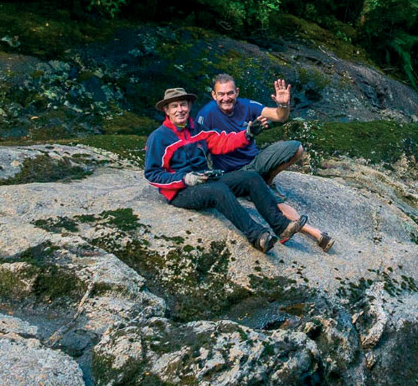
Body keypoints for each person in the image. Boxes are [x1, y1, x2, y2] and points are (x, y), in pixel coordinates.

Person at [143, 86, 308, 254]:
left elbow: (222, 141)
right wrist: (186, 178)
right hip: (181, 191)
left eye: (183, 105)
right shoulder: (158, 137)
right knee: (218, 190)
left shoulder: (196, 129)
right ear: (167, 110)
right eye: (174, 106)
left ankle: (281, 227)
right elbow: (152, 174)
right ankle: (257, 236)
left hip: (205, 181)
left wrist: (247, 134)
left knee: (250, 177)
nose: (180, 109)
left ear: (189, 106)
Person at [196, 74, 333, 252]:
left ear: (237, 92)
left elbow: (279, 116)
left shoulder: (246, 105)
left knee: (296, 148)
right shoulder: (206, 115)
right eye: (221, 94)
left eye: (230, 93)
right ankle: (316, 234)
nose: (226, 98)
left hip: (255, 161)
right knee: (271, 200)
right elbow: (197, 146)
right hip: (235, 173)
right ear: (214, 95)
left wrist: (283, 105)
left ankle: (267, 180)